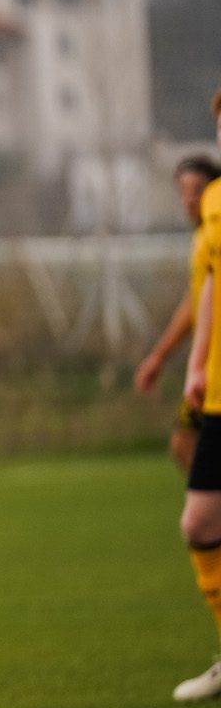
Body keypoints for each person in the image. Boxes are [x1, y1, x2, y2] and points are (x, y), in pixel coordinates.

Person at [173, 92, 221, 702]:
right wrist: (194, 363)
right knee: (200, 519)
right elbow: (211, 283)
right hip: (219, 395)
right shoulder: (215, 204)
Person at [135, 155, 221, 475]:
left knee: (185, 444)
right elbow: (195, 304)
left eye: (198, 189)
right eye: (183, 190)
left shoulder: (212, 236)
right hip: (207, 366)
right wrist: (159, 357)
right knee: (184, 444)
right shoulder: (202, 240)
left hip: (215, 368)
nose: (189, 198)